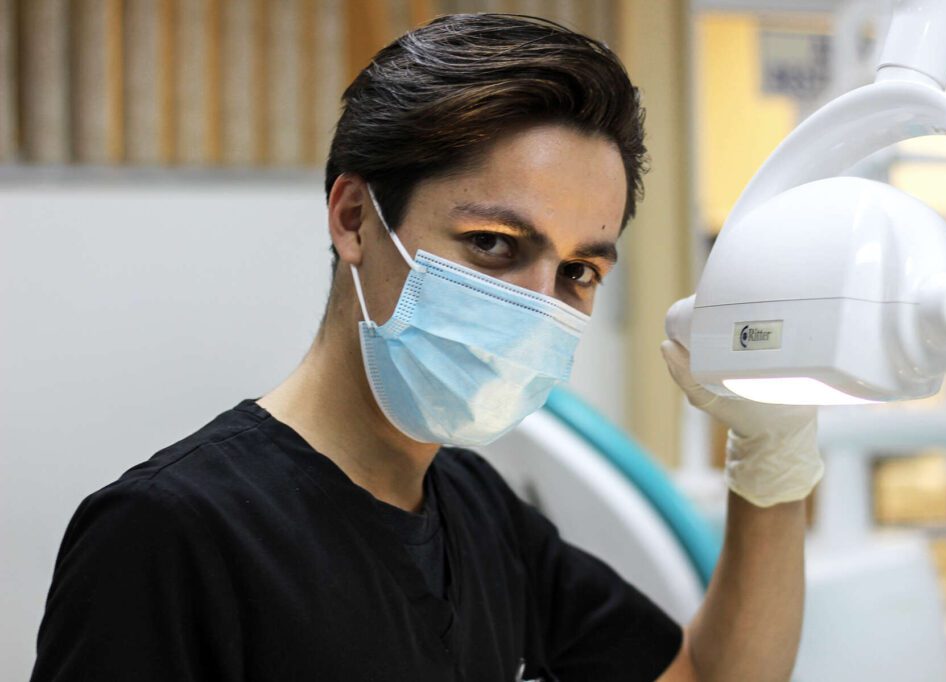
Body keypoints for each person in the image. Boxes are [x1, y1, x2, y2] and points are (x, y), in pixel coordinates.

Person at [31, 13, 823, 682]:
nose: (536, 305)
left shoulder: (480, 514)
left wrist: (773, 456)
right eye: (493, 244)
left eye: (578, 270)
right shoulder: (170, 534)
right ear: (352, 219)